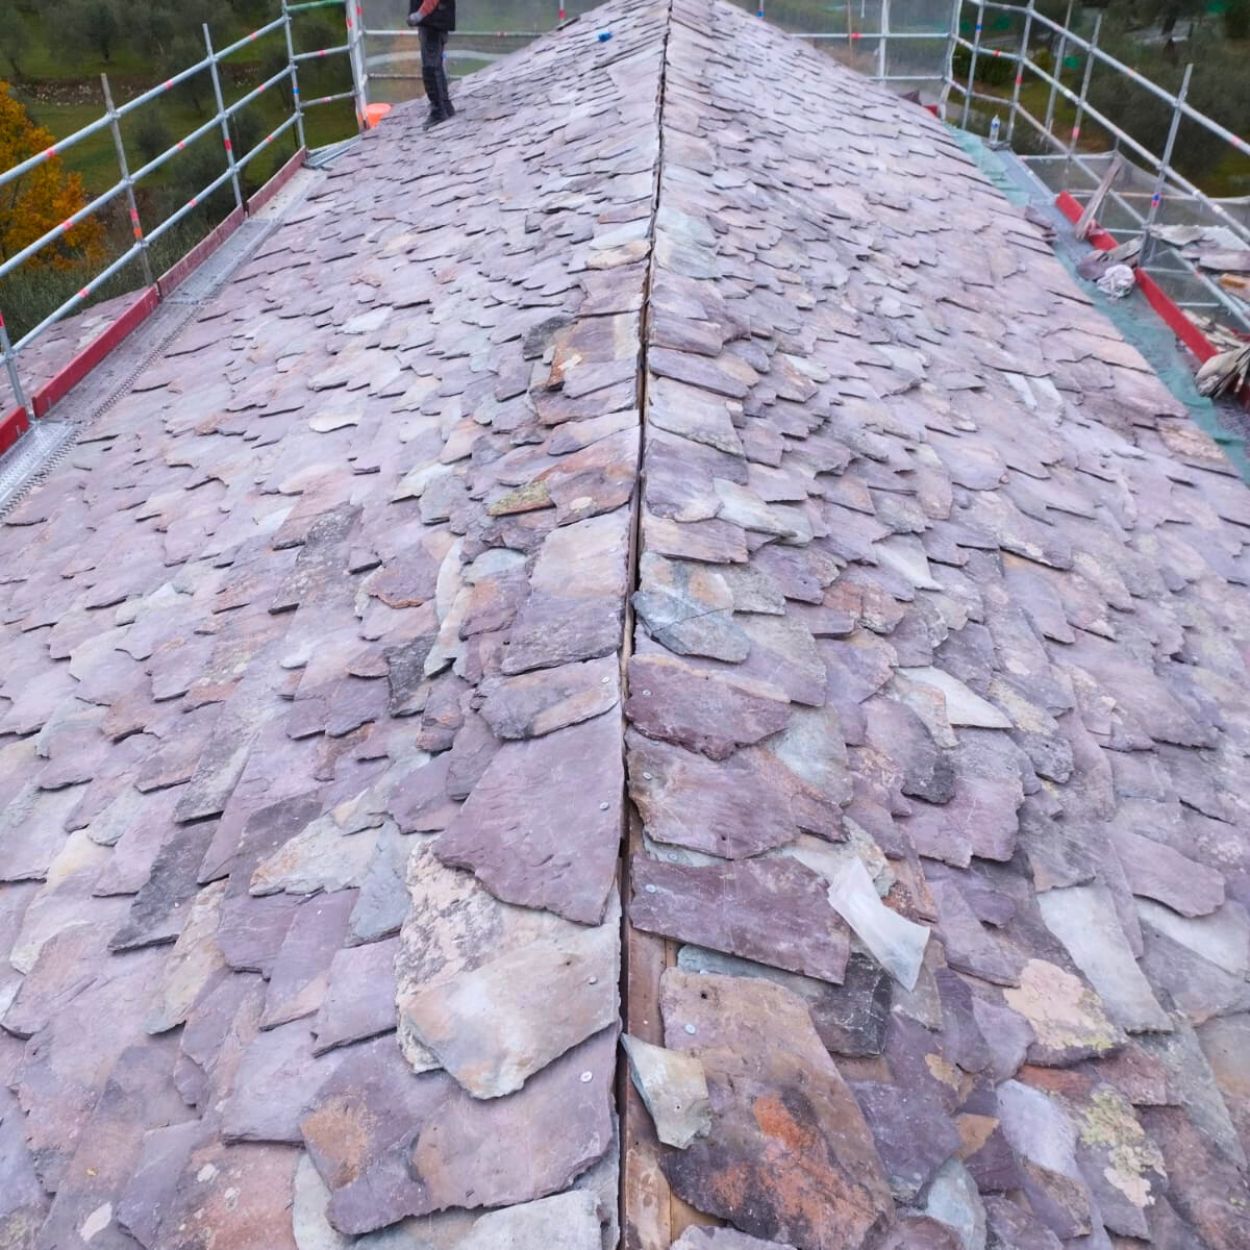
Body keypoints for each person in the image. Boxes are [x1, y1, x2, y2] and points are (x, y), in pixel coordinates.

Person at [408, 0, 456, 129]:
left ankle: (438, 111)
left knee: (430, 67)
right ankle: (445, 106)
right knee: (436, 65)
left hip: (432, 21)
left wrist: (420, 14)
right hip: (436, 19)